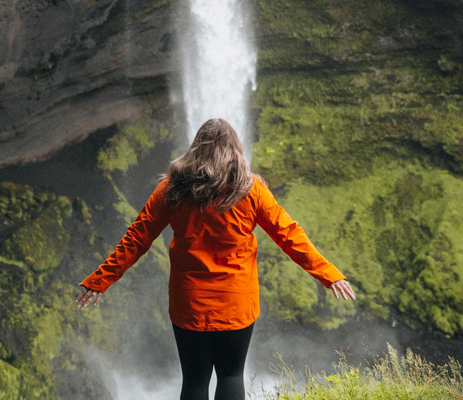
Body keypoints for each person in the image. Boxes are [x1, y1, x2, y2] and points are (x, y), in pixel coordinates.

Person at [75, 118, 355, 400]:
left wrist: (100, 280)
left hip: (190, 303)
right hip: (236, 302)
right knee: (231, 375)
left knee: (195, 381)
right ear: (235, 149)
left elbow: (137, 238)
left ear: (196, 148)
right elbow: (289, 235)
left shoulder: (171, 190)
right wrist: (329, 274)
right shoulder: (251, 190)